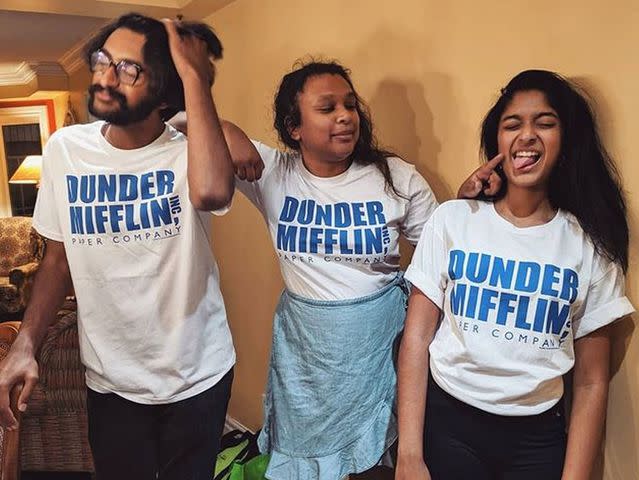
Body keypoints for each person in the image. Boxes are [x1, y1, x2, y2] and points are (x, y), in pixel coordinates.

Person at [212, 60, 498, 480]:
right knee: (307, 464)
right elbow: (182, 121)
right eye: (327, 108)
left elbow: (440, 259)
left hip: (378, 350)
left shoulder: (397, 178)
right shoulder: (275, 172)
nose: (346, 116)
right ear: (295, 128)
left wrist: (466, 203)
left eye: (350, 105)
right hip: (305, 357)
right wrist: (229, 132)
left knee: (374, 463)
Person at [0, 13, 237, 480]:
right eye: (104, 60)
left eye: (128, 70)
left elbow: (212, 192)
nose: (105, 78)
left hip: (198, 374)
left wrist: (196, 81)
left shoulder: (192, 150)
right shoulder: (67, 150)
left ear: (166, 93)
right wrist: (24, 343)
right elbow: (58, 259)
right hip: (110, 380)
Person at [396, 69, 635, 480]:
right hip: (449, 423)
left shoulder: (590, 244)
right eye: (513, 125)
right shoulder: (454, 218)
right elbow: (416, 338)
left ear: (567, 141)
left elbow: (593, 382)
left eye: (545, 123)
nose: (527, 135)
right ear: (498, 144)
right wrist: (409, 456)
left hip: (537, 438)